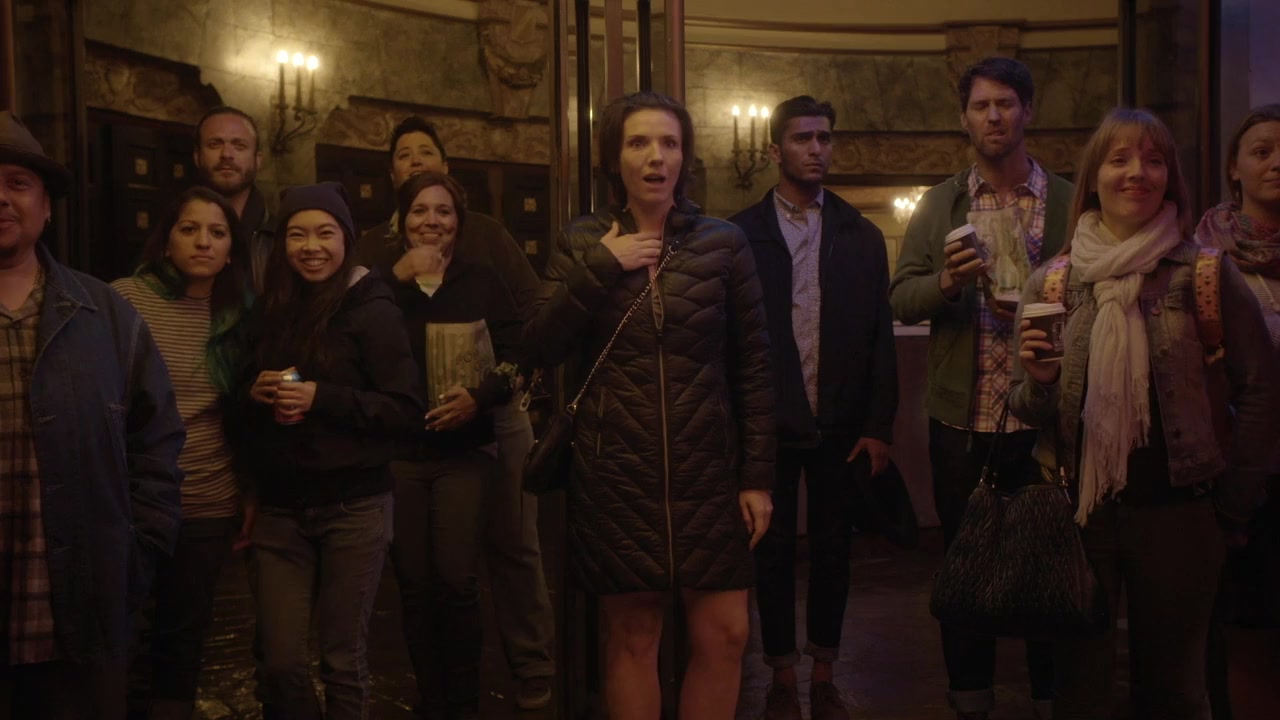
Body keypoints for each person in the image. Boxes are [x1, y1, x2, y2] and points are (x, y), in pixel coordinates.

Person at [1010, 107, 1278, 720]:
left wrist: (1233, 502)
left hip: (1181, 517)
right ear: (1094, 178)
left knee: (1175, 692)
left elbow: (1261, 391)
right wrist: (1041, 382)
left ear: (1170, 179)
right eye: (1120, 159)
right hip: (1078, 515)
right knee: (1079, 694)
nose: (1138, 172)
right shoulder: (1053, 283)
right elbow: (1023, 408)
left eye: (1154, 160)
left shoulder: (1205, 274)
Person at [523, 91, 775, 720]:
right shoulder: (583, 240)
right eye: (638, 143)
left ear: (684, 157)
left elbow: (754, 366)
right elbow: (537, 344)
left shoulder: (723, 242)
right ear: (615, 158)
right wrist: (600, 266)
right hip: (617, 473)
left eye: (669, 143)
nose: (655, 156)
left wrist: (757, 477)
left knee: (727, 632)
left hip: (708, 473)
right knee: (633, 636)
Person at [888, 57, 1070, 720]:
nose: (994, 116)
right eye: (981, 105)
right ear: (964, 118)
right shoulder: (941, 204)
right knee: (965, 571)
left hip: (1048, 420)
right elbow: (901, 298)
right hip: (963, 422)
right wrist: (948, 283)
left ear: (1028, 111)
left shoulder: (1069, 199)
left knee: (1052, 570)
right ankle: (970, 701)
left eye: (1006, 103)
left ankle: (1054, 700)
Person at [354, 116, 555, 710]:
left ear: (447, 169)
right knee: (420, 574)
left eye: (427, 152)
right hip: (405, 439)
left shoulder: (485, 237)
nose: (416, 161)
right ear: (393, 174)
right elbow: (348, 325)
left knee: (513, 542)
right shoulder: (372, 247)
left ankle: (531, 666)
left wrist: (500, 388)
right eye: (404, 154)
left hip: (490, 418)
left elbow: (528, 317)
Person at [0, 110, 185, 717]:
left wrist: (140, 548)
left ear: (46, 207)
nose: (1, 198)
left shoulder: (104, 314)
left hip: (83, 607)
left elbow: (156, 438)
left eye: (18, 183)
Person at [729, 95, 898, 720]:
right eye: (803, 139)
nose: (816, 149)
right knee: (770, 554)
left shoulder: (860, 234)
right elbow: (728, 340)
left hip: (840, 425)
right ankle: (780, 674)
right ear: (775, 149)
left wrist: (878, 427)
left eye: (824, 137)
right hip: (768, 425)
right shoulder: (741, 234)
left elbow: (880, 336)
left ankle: (824, 672)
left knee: (833, 552)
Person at [237, 182, 423, 720]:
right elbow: (241, 405)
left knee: (343, 662)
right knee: (280, 662)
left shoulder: (372, 308)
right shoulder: (271, 308)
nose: (311, 247)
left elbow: (404, 410)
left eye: (325, 233)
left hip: (353, 507)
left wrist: (323, 397)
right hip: (280, 510)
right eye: (297, 235)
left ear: (346, 239)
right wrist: (252, 392)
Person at [380, 171, 525, 719]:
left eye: (444, 212)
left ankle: (463, 704)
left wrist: (480, 398)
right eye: (420, 210)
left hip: (465, 452)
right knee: (414, 585)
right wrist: (393, 278)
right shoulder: (380, 284)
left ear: (458, 224)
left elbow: (517, 355)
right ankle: (431, 700)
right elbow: (346, 336)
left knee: (457, 580)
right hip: (399, 454)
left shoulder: (481, 279)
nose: (432, 221)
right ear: (402, 221)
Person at [110, 186, 252, 720]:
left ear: (232, 249)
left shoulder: (239, 311)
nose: (203, 242)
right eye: (189, 229)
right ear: (166, 240)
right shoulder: (124, 299)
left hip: (207, 496)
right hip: (132, 498)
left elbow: (243, 417)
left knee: (183, 637)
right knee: (120, 633)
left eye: (217, 232)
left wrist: (250, 492)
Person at [1195, 103, 1280, 720]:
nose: (1277, 163)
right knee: (1247, 627)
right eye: (1262, 151)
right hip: (1243, 468)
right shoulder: (1207, 256)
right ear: (1235, 168)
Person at [193, 106, 274, 293]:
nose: (227, 154)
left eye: (239, 146)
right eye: (215, 144)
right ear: (197, 157)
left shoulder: (280, 235)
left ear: (257, 160)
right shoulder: (173, 230)